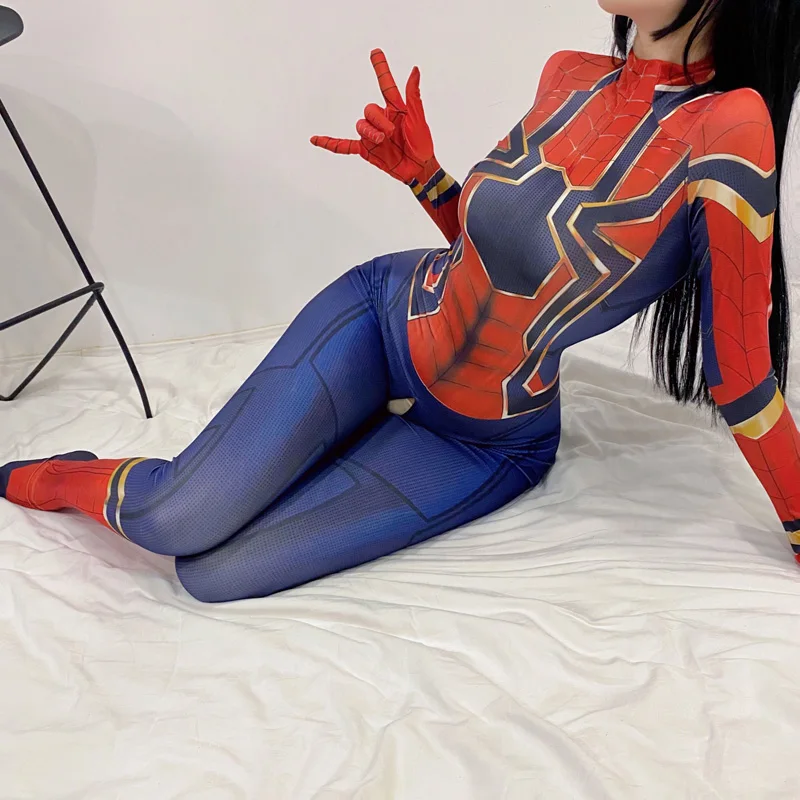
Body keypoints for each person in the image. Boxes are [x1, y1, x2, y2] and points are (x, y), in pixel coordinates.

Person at [2, 0, 799, 602]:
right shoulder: (568, 75)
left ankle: (330, 438)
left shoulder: (729, 127)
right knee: (171, 519)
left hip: (487, 439)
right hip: (386, 319)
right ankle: (59, 476)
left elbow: (740, 377)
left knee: (215, 575)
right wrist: (424, 174)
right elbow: (493, 253)